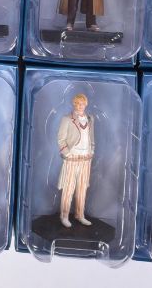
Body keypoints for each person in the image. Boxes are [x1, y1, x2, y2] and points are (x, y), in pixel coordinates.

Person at [57, 93, 95, 228]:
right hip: (72, 158)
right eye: (78, 104)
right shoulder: (67, 119)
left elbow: (91, 137)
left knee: (82, 188)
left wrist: (92, 151)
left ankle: (80, 215)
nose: (80, 106)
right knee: (68, 188)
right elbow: (61, 139)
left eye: (82, 104)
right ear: (74, 104)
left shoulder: (90, 119)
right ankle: (64, 216)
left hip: (85, 158)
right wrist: (67, 154)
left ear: (86, 104)